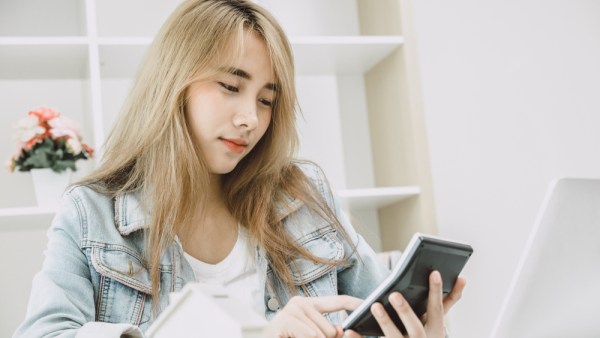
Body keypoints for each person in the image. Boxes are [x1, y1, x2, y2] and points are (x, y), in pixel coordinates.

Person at [14, 0, 466, 337]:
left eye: (266, 100)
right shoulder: (91, 214)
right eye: (231, 86)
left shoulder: (305, 195)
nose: (251, 118)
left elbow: (370, 309)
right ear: (174, 84)